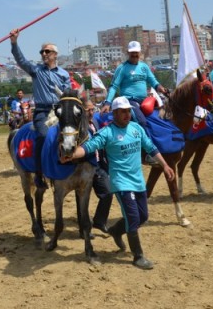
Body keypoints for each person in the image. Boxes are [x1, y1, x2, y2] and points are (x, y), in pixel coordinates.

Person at [61, 96, 175, 269]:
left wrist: (165, 165)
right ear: (114, 113)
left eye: (129, 111)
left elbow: (151, 147)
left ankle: (115, 230)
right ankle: (138, 256)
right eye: (123, 111)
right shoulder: (107, 132)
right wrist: (71, 154)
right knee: (133, 218)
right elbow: (88, 147)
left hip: (138, 181)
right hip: (121, 183)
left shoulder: (136, 128)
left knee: (143, 216)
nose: (127, 114)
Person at [10, 28, 70, 189]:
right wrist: (14, 43)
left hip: (60, 110)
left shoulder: (64, 74)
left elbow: (69, 94)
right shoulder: (36, 71)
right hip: (43, 112)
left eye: (47, 51)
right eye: (42, 52)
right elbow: (21, 60)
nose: (44, 54)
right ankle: (39, 173)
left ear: (55, 54)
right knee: (43, 136)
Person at [101, 41, 168, 129]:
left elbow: (154, 82)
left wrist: (162, 89)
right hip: (129, 101)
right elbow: (114, 86)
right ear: (128, 52)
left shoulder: (144, 67)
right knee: (142, 122)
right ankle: (144, 142)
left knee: (159, 119)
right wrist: (107, 103)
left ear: (140, 52)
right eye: (132, 52)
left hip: (144, 101)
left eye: (136, 52)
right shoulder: (122, 68)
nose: (134, 55)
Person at [84, 99, 112, 235]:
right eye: (88, 110)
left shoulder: (95, 122)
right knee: (83, 199)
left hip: (99, 164)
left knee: (108, 192)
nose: (91, 113)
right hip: (84, 167)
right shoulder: (78, 127)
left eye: (92, 110)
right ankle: (84, 228)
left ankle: (99, 221)